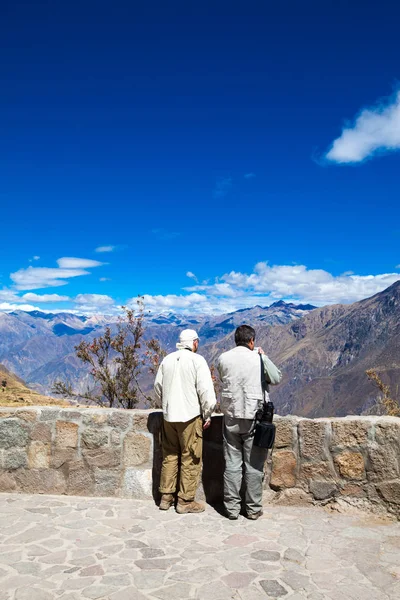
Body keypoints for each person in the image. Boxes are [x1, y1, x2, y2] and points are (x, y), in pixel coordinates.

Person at [217, 324, 282, 520]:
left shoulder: (223, 358)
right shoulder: (258, 358)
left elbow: (223, 377)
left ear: (236, 340)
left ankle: (232, 509)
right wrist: (264, 356)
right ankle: (253, 509)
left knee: (232, 464)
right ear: (252, 341)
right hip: (254, 416)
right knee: (253, 465)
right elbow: (276, 377)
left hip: (231, 416)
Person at [154, 329, 216, 514]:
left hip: (169, 416)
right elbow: (206, 392)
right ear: (194, 343)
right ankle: (185, 501)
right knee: (191, 457)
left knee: (169, 456)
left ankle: (166, 497)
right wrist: (208, 413)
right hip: (190, 416)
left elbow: (158, 387)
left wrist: (164, 405)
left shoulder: (168, 359)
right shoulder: (198, 361)